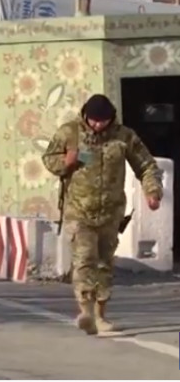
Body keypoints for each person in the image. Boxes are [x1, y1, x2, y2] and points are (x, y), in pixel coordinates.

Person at [41, 94, 163, 335]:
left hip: (111, 212)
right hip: (79, 211)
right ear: (86, 115)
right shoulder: (70, 133)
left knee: (104, 264)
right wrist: (66, 162)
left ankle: (100, 315)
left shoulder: (123, 136)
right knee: (84, 260)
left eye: (103, 121)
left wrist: (153, 192)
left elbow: (146, 165)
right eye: (94, 120)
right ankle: (85, 311)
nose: (98, 125)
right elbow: (48, 159)